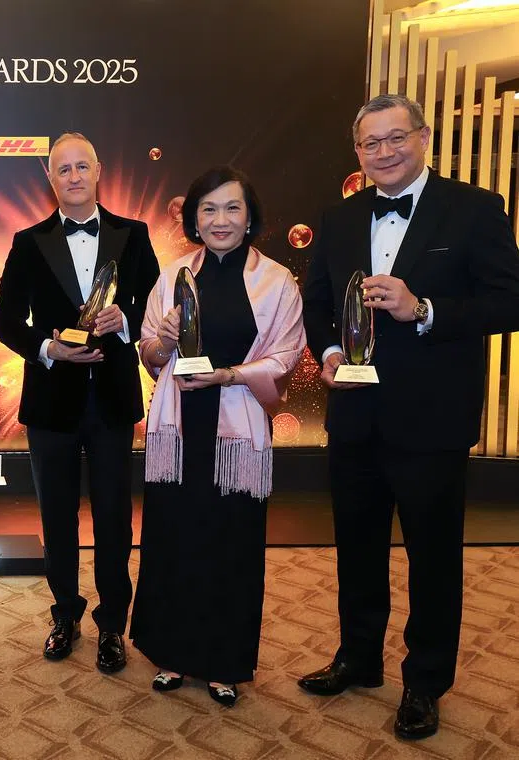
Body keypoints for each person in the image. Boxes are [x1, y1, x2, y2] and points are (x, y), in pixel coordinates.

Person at [299, 94, 519, 739]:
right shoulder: (337, 218)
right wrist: (332, 352)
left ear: (423, 139)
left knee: (433, 557)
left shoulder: (476, 209)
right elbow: (317, 303)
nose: (385, 152)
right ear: (358, 151)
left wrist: (423, 308)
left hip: (433, 420)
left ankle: (425, 682)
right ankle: (359, 658)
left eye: (398, 138)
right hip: (355, 415)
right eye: (371, 143)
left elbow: (509, 303)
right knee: (357, 549)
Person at [130, 167, 306, 706]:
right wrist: (158, 342)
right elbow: (151, 356)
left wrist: (230, 374)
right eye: (208, 209)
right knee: (173, 541)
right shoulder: (174, 274)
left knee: (231, 544)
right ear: (194, 219)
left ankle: (224, 661)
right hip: (179, 430)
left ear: (250, 216)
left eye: (232, 208)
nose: (220, 220)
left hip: (236, 432)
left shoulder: (276, 281)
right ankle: (171, 654)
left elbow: (286, 355)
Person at [0, 132, 160, 673]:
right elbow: (4, 322)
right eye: (62, 169)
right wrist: (48, 349)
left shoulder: (132, 235)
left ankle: (112, 622)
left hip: (112, 401)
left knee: (114, 517)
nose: (73, 176)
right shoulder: (27, 241)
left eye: (81, 166)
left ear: (98, 170)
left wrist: (127, 321)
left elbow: (156, 308)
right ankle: (64, 612)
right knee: (56, 516)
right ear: (50, 177)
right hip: (51, 403)